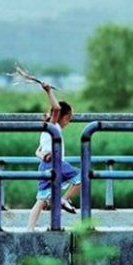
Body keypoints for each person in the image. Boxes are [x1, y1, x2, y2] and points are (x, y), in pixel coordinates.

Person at [26, 82, 81, 231]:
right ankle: (64, 199)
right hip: (57, 164)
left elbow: (38, 150)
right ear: (61, 117)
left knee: (41, 200)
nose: (68, 123)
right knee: (83, 177)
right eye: (68, 119)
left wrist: (40, 154)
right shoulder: (53, 125)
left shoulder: (45, 129)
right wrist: (48, 91)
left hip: (45, 166)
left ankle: (29, 229)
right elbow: (56, 108)